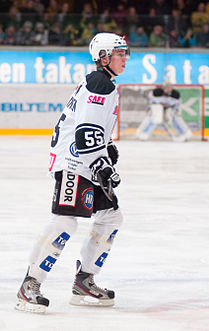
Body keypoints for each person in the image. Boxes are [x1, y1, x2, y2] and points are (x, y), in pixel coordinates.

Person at [15, 32, 129, 313]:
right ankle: (30, 284)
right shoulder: (100, 84)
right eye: (119, 53)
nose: (124, 58)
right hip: (75, 163)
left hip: (86, 161)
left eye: (125, 52)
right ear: (103, 56)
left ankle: (84, 280)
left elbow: (92, 127)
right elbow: (85, 132)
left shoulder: (102, 82)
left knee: (110, 216)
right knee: (65, 222)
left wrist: (106, 148)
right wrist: (101, 165)